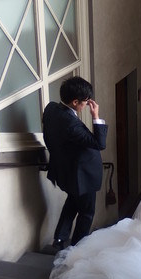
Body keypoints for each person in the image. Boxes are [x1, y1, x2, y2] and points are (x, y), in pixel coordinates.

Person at [42, 76, 108, 250]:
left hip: (66, 173)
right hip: (82, 177)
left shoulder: (51, 109)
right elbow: (99, 143)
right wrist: (96, 116)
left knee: (72, 202)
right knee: (86, 213)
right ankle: (77, 248)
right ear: (75, 102)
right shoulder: (71, 124)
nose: (87, 104)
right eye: (85, 102)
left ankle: (59, 238)